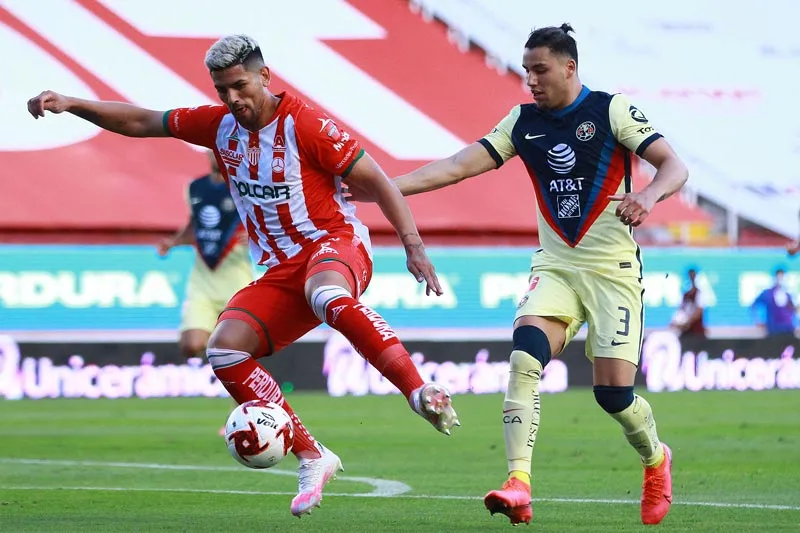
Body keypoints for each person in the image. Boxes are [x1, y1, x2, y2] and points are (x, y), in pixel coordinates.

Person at [27, 34, 459, 517]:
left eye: (240, 86)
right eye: (222, 90)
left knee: (325, 294)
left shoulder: (307, 124)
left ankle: (418, 390)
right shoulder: (219, 126)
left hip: (335, 244)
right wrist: (73, 103)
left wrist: (413, 246)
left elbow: (378, 181)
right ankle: (312, 455)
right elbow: (142, 121)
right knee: (224, 349)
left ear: (265, 76)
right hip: (280, 270)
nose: (232, 98)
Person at [350, 23, 688, 526]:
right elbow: (457, 165)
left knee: (613, 395)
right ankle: (518, 483)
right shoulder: (522, 122)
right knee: (524, 358)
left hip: (613, 274)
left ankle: (656, 460)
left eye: (540, 70)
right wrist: (382, 186)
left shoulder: (610, 110)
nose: (530, 80)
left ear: (569, 68)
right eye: (526, 70)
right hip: (556, 267)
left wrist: (648, 194)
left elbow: (674, 166)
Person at [157, 149, 254, 435]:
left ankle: (240, 414)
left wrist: (257, 234)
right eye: (210, 150)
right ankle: (226, 362)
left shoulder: (245, 186)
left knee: (235, 349)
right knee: (192, 344)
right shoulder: (195, 187)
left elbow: (265, 219)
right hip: (203, 279)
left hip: (236, 279)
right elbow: (195, 225)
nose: (214, 155)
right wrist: (174, 242)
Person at [750, 268, 797, 342]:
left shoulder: (788, 295)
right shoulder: (767, 294)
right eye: (779, 277)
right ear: (775, 278)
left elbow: (793, 310)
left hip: (788, 330)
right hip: (773, 331)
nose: (780, 280)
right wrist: (757, 321)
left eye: (782, 277)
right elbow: (753, 305)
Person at [669, 267, 708, 344]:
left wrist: (687, 322)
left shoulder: (700, 293)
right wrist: (676, 322)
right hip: (686, 333)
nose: (691, 279)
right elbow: (681, 310)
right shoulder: (685, 295)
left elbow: (699, 311)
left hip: (697, 333)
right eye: (690, 276)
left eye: (693, 276)